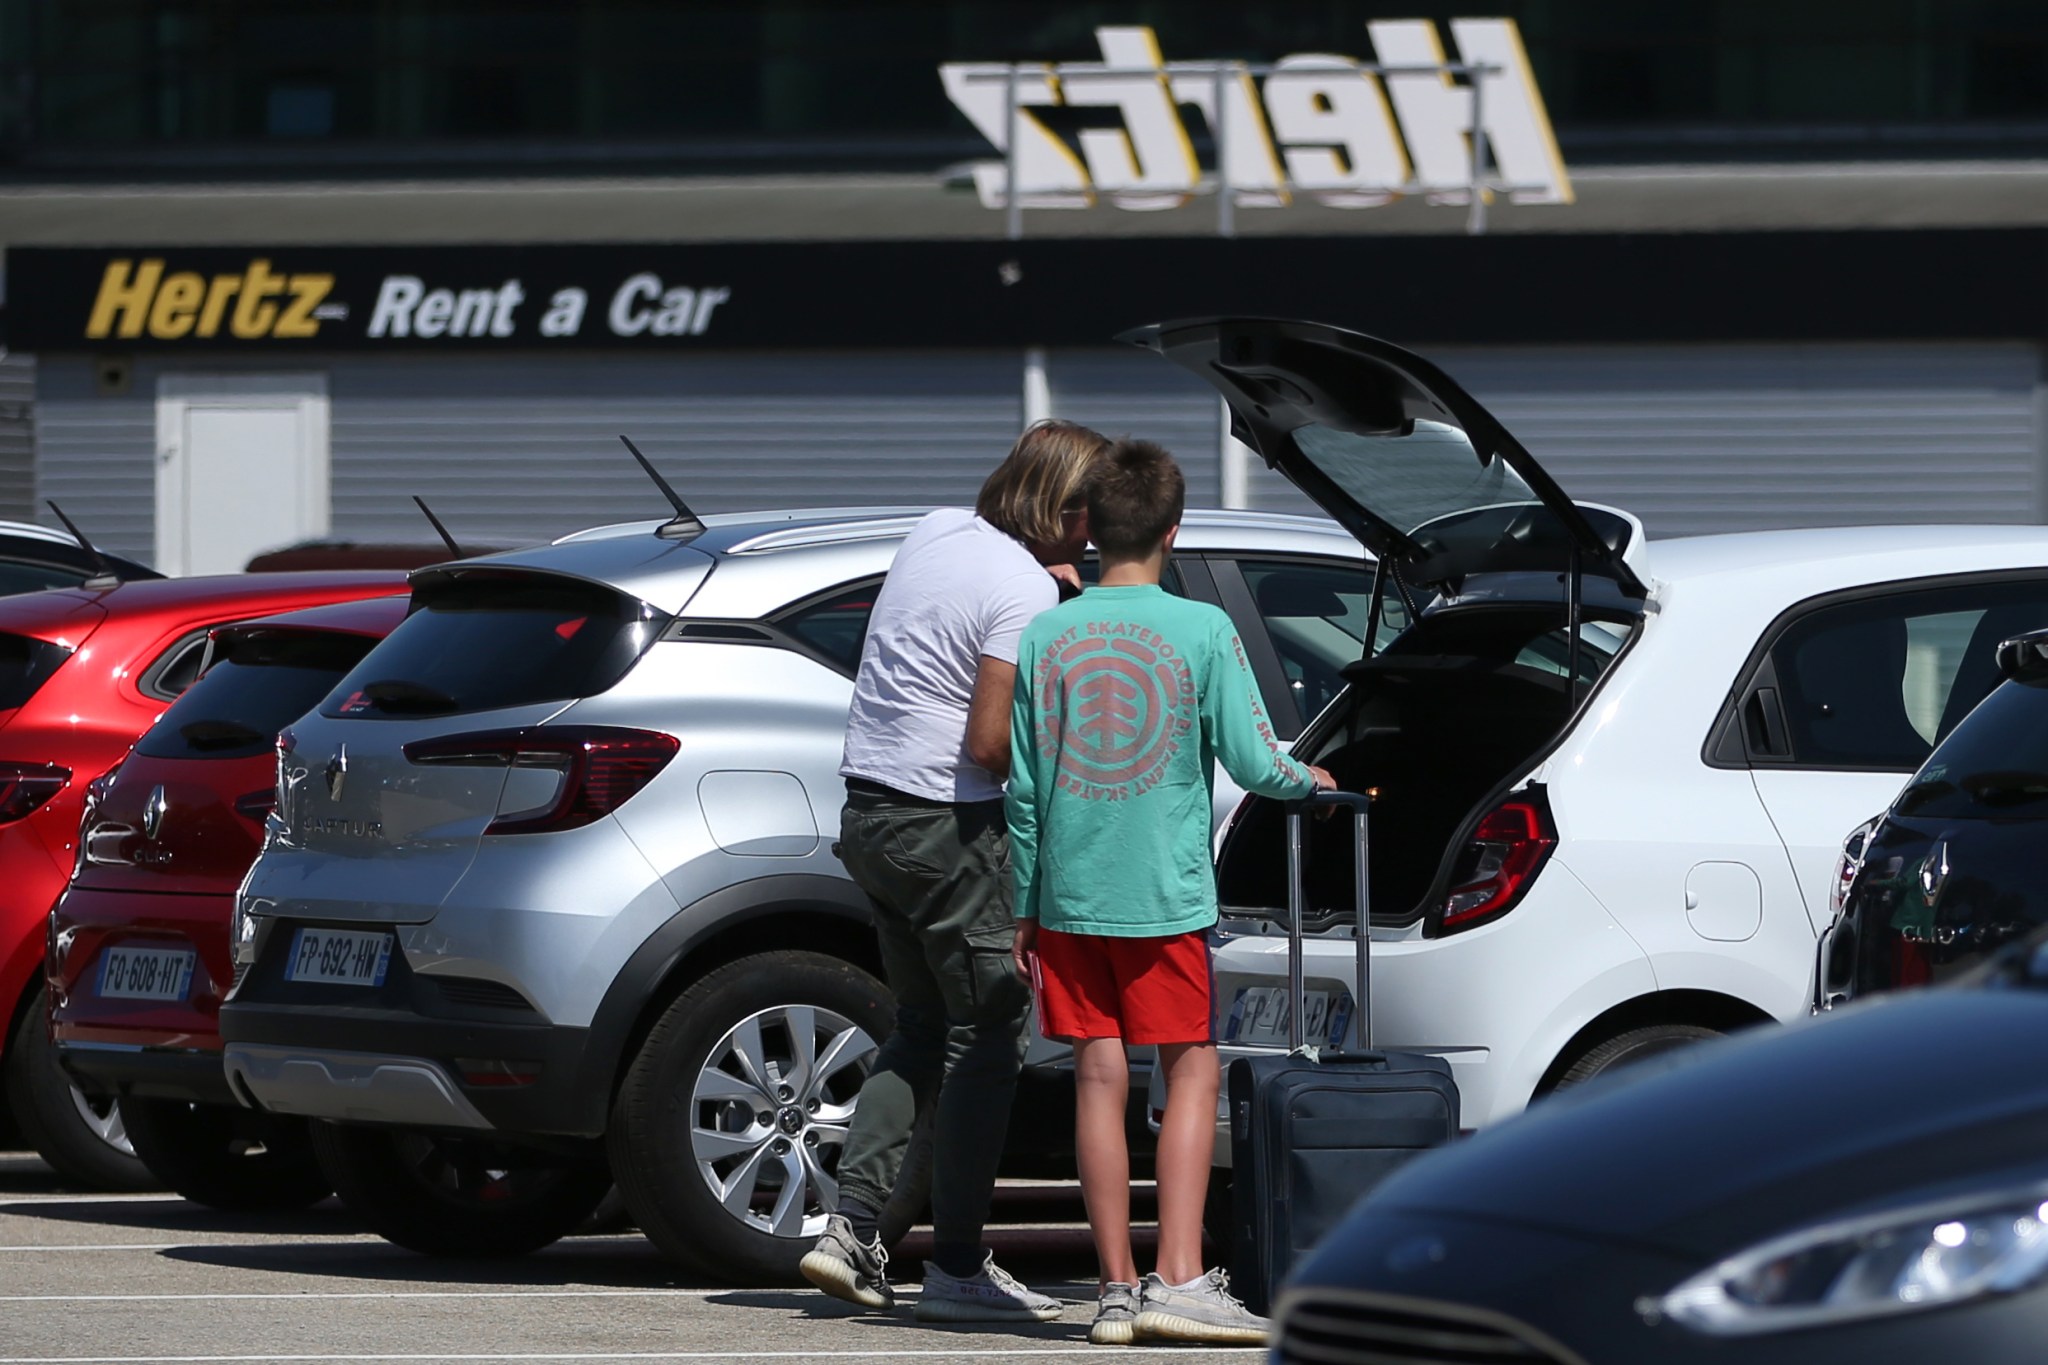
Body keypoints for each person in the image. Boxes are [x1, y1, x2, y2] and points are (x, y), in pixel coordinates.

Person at [1007, 438, 1335, 1347]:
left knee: (1097, 1075)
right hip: (1163, 894)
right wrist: (1313, 780)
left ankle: (1113, 1286)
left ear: (1090, 529)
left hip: (1068, 895)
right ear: (1173, 531)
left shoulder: (1047, 631)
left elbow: (1026, 788)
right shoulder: (1201, 630)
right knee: (1190, 1067)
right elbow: (1255, 762)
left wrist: (1024, 904)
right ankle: (1178, 1276)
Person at [802, 418, 1110, 1323]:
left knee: (920, 1025)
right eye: (1087, 515)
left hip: (871, 812)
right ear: (1059, 507)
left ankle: (852, 1230)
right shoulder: (1026, 591)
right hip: (951, 825)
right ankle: (959, 1263)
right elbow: (987, 741)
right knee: (990, 1036)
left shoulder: (937, 529)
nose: (1093, 536)